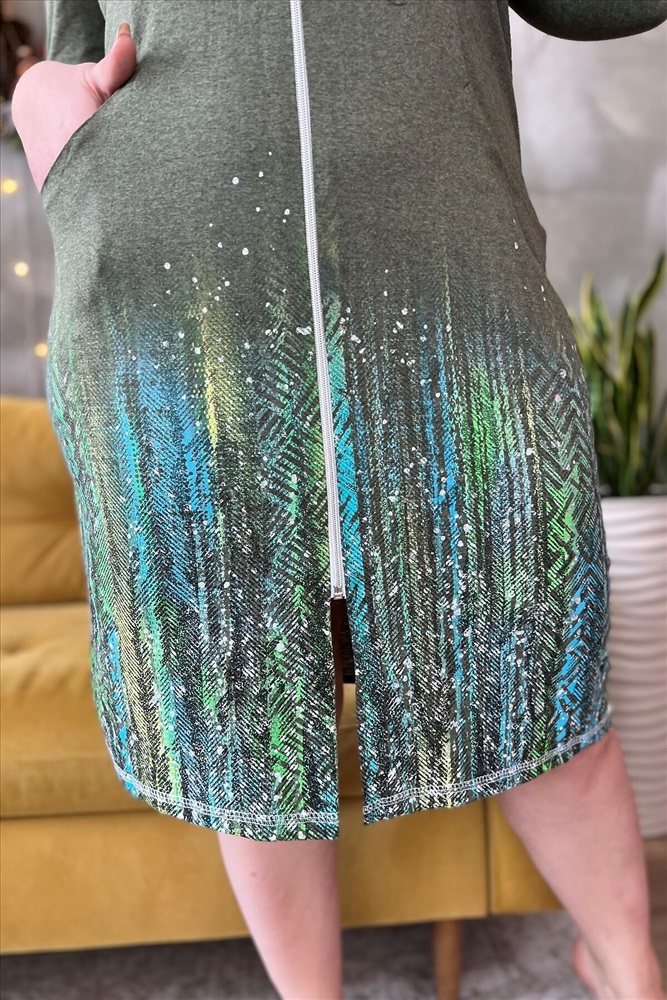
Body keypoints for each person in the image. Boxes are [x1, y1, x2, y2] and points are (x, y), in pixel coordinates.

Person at [12, 1, 667, 997]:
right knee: (249, 700)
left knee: (530, 652)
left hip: (451, 296)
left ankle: (626, 965)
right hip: (184, 315)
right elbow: (79, 37)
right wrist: (39, 103)